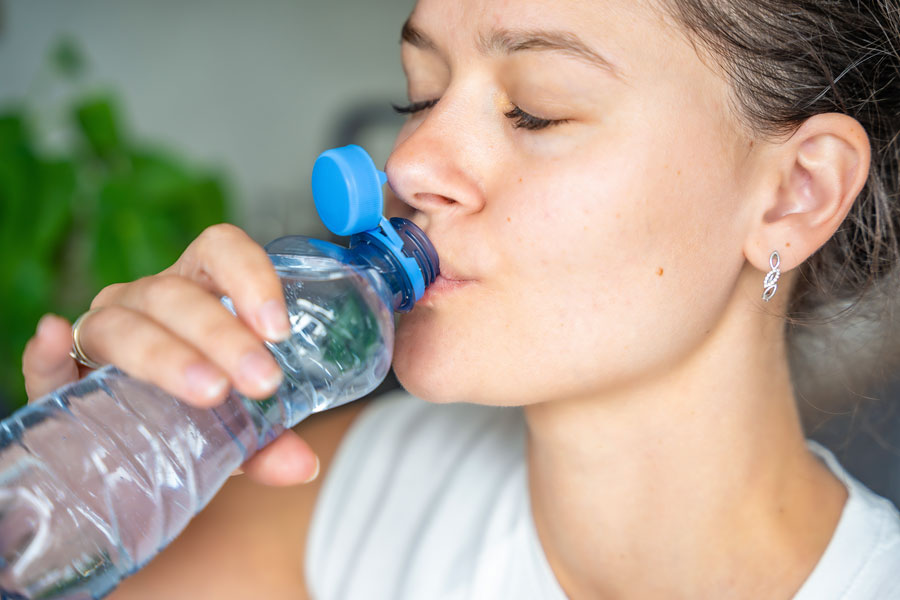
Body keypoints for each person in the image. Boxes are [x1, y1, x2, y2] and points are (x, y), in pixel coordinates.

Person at [21, 0, 900, 597]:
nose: (407, 165)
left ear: (796, 195)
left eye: (536, 110)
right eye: (423, 95)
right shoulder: (359, 488)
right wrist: (83, 474)